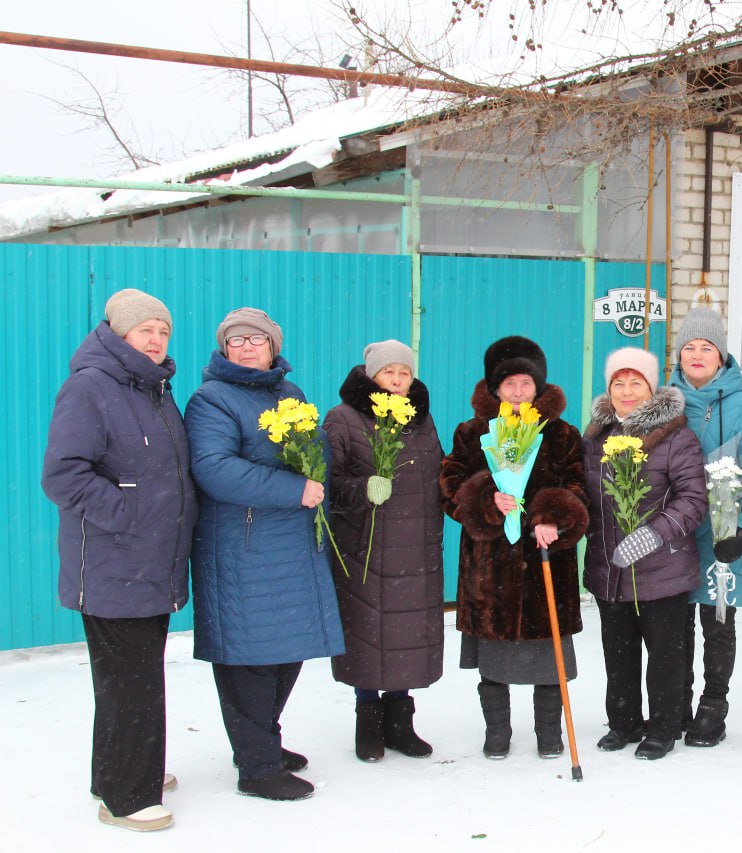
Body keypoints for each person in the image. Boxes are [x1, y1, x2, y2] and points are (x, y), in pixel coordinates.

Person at [42, 289, 194, 832]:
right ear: (118, 332)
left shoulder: (152, 389)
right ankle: (126, 796)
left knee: (131, 677)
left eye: (162, 331)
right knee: (132, 681)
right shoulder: (90, 388)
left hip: (149, 562)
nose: (155, 341)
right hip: (114, 562)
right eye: (145, 330)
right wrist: (129, 511)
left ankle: (119, 768)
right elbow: (64, 475)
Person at [185, 307, 344, 802]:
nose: (247, 346)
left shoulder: (289, 394)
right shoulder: (211, 400)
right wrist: (293, 488)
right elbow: (213, 468)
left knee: (284, 652)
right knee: (248, 659)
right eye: (236, 341)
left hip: (291, 544)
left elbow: (315, 449)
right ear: (224, 349)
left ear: (274, 346)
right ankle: (256, 766)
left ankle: (261, 743)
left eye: (257, 339)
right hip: (243, 548)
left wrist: (318, 473)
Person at [439, 336, 589, 760]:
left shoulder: (561, 434)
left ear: (538, 388)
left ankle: (549, 734)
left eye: (526, 383)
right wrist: (485, 499)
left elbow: (578, 484)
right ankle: (497, 734)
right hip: (490, 567)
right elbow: (449, 485)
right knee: (495, 659)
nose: (519, 392)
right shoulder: (472, 433)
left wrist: (554, 516)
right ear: (495, 389)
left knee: (549, 659)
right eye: (510, 385)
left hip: (546, 560)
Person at [582, 347, 708, 760]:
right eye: (619, 382)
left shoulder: (675, 435)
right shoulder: (595, 437)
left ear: (652, 389)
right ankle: (623, 723)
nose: (627, 390)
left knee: (664, 653)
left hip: (663, 567)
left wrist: (654, 535)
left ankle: (663, 728)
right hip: (608, 567)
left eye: (636, 382)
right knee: (617, 650)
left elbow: (693, 498)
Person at [324, 340, 445, 762]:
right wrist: (361, 491)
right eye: (388, 372)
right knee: (368, 635)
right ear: (371, 375)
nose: (397, 380)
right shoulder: (343, 419)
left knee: (405, 634)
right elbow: (327, 483)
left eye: (404, 373)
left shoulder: (420, 420)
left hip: (416, 549)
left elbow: (439, 474)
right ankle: (368, 722)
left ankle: (400, 723)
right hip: (366, 548)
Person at [668, 307, 742, 746]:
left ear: (721, 356)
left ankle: (713, 706)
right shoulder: (664, 402)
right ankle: (676, 702)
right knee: (674, 627)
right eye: (689, 347)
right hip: (673, 535)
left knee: (717, 621)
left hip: (722, 535)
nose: (697, 354)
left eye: (706, 347)